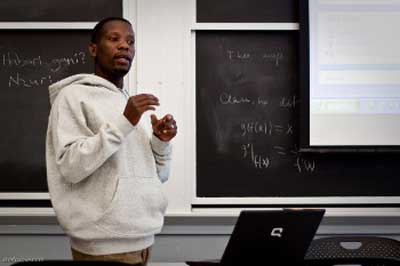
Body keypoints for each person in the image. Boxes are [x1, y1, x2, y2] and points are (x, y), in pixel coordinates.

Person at [46, 17, 177, 265]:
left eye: (130, 41)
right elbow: (71, 166)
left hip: (143, 239)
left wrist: (160, 142)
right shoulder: (73, 96)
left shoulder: (127, 103)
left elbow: (158, 175)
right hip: (103, 245)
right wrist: (125, 122)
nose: (124, 46)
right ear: (93, 49)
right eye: (114, 39)